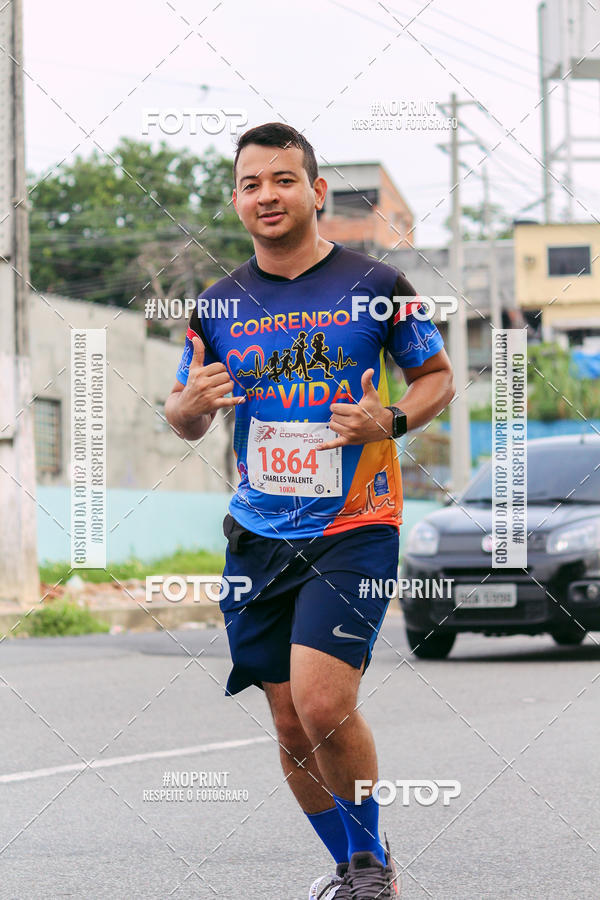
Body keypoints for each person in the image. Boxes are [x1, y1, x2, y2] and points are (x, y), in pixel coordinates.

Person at [165, 122, 454, 899]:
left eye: (284, 179)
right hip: (258, 532)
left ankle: (367, 871)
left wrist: (389, 421)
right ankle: (357, 862)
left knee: (326, 704)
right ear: (236, 200)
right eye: (252, 183)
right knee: (291, 726)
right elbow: (188, 412)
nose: (268, 194)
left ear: (316, 191)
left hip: (356, 525)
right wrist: (185, 409)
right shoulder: (217, 305)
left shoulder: (379, 286)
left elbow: (435, 377)